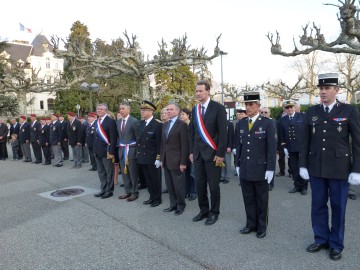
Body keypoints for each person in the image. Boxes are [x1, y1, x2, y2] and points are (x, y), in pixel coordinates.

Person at [299, 73, 360, 260]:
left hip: (339, 168)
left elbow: (357, 142)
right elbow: (305, 142)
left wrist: (357, 169)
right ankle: (321, 238)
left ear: (336, 90)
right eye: (321, 88)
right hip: (316, 167)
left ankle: (336, 244)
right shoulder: (312, 112)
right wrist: (302, 165)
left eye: (327, 88)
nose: (323, 92)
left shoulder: (349, 111)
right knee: (317, 205)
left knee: (338, 206)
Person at [236, 92, 277, 238]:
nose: (248, 107)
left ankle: (261, 226)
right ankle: (250, 224)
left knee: (261, 199)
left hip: (261, 168)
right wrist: (237, 164)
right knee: (248, 197)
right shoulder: (241, 123)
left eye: (251, 104)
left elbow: (271, 148)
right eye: (246, 104)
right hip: (246, 167)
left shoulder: (267, 123)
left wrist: (271, 168)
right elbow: (239, 145)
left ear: (258, 106)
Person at [189, 80, 227, 226]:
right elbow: (192, 133)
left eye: (201, 91)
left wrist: (220, 153)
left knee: (213, 186)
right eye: (197, 91)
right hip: (198, 154)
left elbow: (223, 134)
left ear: (208, 91)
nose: (198, 93)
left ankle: (214, 212)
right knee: (199, 184)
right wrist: (192, 151)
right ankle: (203, 210)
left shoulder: (218, 108)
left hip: (213, 155)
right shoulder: (195, 110)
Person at [161, 103, 189, 215]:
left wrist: (183, 162)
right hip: (167, 160)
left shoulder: (182, 125)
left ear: (177, 111)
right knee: (170, 185)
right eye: (167, 109)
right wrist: (162, 159)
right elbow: (163, 144)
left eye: (171, 109)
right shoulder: (166, 124)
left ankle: (181, 205)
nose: (168, 111)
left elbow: (185, 145)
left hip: (177, 161)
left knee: (178, 185)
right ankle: (172, 204)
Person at [137, 100, 162, 207]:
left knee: (155, 179)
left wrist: (159, 158)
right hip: (143, 157)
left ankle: (157, 198)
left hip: (153, 157)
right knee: (148, 179)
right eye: (141, 110)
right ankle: (151, 197)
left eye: (144, 110)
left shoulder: (157, 125)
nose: (142, 112)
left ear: (151, 111)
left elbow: (160, 143)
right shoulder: (141, 123)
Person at [279, 100, 307, 195]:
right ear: (285, 110)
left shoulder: (302, 116)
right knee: (294, 167)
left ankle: (304, 187)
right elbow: (281, 135)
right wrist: (284, 147)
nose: (289, 109)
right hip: (290, 147)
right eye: (287, 108)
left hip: (301, 146)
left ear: (294, 107)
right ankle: (297, 185)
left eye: (291, 107)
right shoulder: (282, 120)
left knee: (302, 167)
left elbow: (307, 132)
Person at [117, 102, 140, 202]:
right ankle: (128, 191)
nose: (121, 111)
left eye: (123, 109)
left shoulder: (134, 121)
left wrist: (137, 152)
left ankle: (134, 192)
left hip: (131, 151)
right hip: (122, 151)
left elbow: (138, 138)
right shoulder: (118, 122)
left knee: (133, 173)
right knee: (124, 173)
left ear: (128, 110)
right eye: (120, 109)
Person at [93, 103, 117, 199]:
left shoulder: (110, 121)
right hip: (97, 151)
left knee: (108, 172)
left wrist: (112, 152)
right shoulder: (96, 121)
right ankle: (103, 188)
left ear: (106, 111)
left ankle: (109, 190)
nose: (99, 111)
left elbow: (113, 138)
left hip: (106, 151)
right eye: (98, 109)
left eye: (101, 109)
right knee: (101, 171)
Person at [180, 107, 197, 201]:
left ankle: (193, 191)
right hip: (183, 153)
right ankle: (186, 190)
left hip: (192, 152)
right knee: (185, 173)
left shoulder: (192, 125)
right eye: (180, 114)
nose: (181, 116)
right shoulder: (180, 125)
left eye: (183, 114)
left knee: (192, 173)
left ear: (188, 115)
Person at [260, 107, 276, 190]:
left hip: (270, 148)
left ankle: (271, 183)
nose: (263, 114)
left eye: (266, 112)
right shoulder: (258, 122)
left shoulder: (273, 122)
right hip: (261, 149)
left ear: (269, 113)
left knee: (270, 165)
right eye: (262, 112)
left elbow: (276, 136)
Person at [220, 118, 234, 184]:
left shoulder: (229, 123)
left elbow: (231, 136)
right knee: (221, 162)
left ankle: (227, 177)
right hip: (220, 147)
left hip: (227, 146)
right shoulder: (218, 122)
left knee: (227, 162)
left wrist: (230, 146)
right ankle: (222, 176)